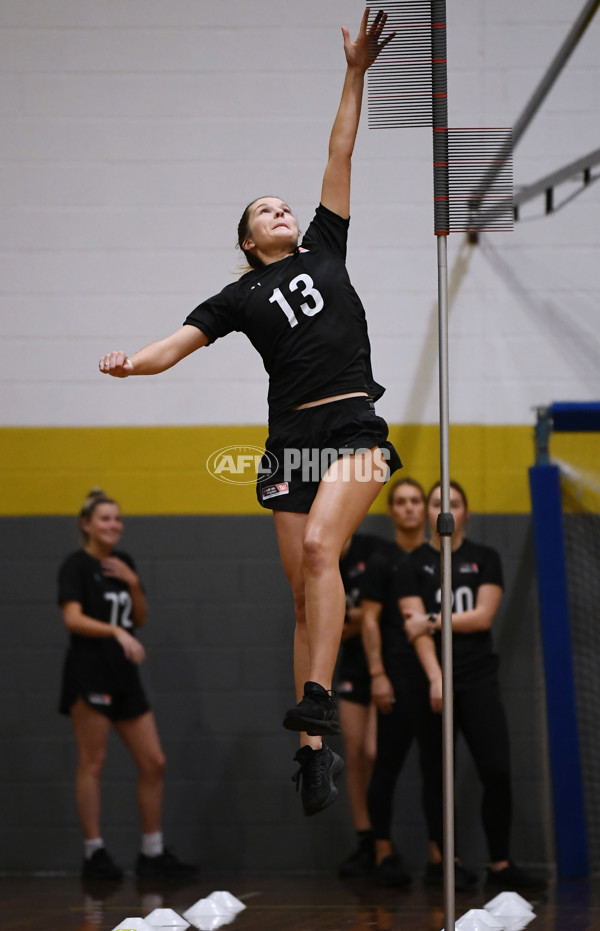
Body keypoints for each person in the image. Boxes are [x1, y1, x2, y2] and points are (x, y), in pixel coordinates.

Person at [98, 9, 400, 818]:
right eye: (264, 211)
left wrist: (356, 71)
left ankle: (316, 699)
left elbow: (339, 150)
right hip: (289, 440)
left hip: (354, 428)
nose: (281, 210)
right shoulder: (238, 294)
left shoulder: (326, 248)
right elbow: (176, 345)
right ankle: (312, 752)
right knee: (304, 598)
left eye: (283, 205)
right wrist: (133, 362)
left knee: (318, 552)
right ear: (246, 240)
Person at [397, 480, 548, 893]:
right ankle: (446, 864)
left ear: (464, 512)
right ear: (429, 513)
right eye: (435, 503)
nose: (444, 510)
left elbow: (481, 618)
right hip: (431, 681)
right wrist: (436, 676)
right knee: (436, 775)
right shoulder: (411, 566)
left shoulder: (485, 558)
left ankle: (500, 865)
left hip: (478, 678)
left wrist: (430, 619)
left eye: (454, 503)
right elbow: (413, 633)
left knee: (496, 770)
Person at [58, 489, 197, 881]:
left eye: (117, 519)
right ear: (86, 524)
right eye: (105, 518)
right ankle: (94, 853)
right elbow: (72, 618)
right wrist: (116, 632)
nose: (113, 525)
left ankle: (152, 853)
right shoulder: (76, 566)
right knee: (93, 761)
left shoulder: (123, 564)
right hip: (90, 672)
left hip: (124, 676)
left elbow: (142, 617)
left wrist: (134, 583)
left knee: (154, 762)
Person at [360, 478, 475, 889]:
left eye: (415, 501)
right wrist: (377, 675)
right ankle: (383, 853)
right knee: (385, 766)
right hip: (398, 673)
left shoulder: (439, 557)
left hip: (438, 676)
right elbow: (370, 619)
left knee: (437, 769)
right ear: (391, 511)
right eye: (402, 502)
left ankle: (439, 856)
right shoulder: (382, 560)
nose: (409, 508)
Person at [336, 531, 385, 877]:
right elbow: (332, 628)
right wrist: (357, 617)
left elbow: (379, 614)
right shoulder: (322, 559)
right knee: (354, 756)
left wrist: (355, 616)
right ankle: (366, 839)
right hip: (352, 664)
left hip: (382, 661)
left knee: (374, 753)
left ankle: (385, 840)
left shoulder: (375, 551)